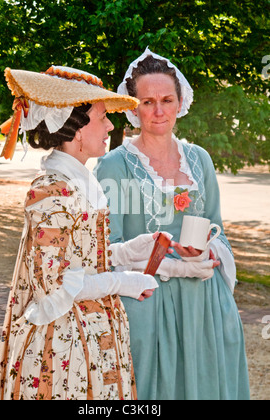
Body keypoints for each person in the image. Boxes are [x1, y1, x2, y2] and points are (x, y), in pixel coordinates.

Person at [0, 64, 160, 400]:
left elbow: (81, 257)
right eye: (102, 117)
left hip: (94, 336)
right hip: (63, 347)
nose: (111, 125)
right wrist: (123, 282)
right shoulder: (51, 190)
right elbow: (52, 285)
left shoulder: (78, 183)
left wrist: (129, 252)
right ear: (76, 129)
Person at [95, 47, 250, 400]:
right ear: (133, 107)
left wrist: (207, 254)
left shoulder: (200, 159)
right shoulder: (113, 166)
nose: (158, 110)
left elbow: (217, 228)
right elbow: (109, 248)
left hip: (205, 304)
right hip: (149, 304)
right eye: (147, 102)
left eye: (166, 99)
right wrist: (175, 267)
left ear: (181, 102)